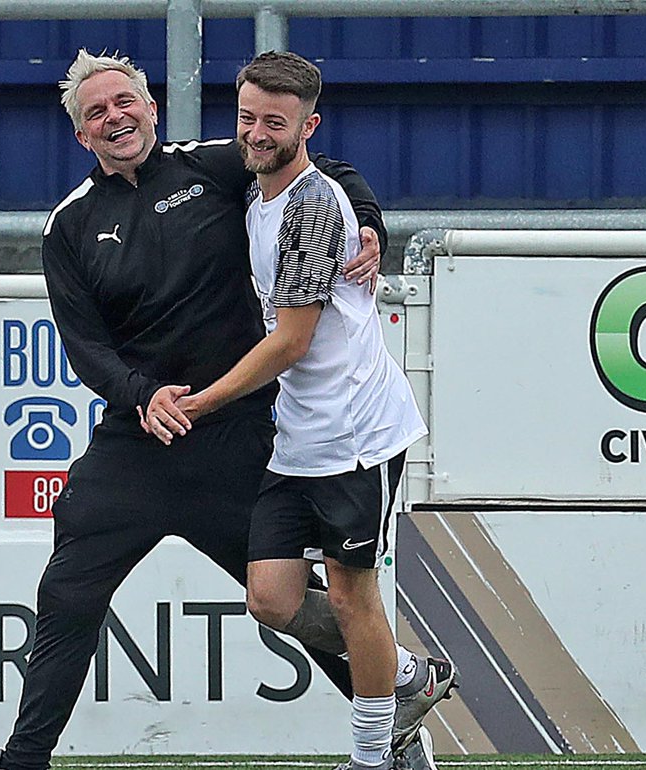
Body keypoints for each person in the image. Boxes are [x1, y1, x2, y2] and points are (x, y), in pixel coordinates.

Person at [0, 50, 453, 770]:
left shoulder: (214, 166)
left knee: (299, 601)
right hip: (138, 444)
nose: (115, 117)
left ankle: (390, 732)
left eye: (124, 102)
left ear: (151, 109)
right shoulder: (67, 227)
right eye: (95, 113)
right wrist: (141, 396)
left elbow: (324, 172)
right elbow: (86, 349)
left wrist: (372, 224)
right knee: (66, 596)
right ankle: (23, 759)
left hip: (241, 437)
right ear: (82, 137)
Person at [144, 51, 431, 770]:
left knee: (350, 596)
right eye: (247, 118)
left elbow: (293, 341)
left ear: (309, 124)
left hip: (358, 436)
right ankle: (406, 675)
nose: (257, 133)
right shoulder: (256, 193)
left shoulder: (310, 201)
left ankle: (374, 757)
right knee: (271, 599)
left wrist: (201, 402)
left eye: (275, 121)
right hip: (300, 438)